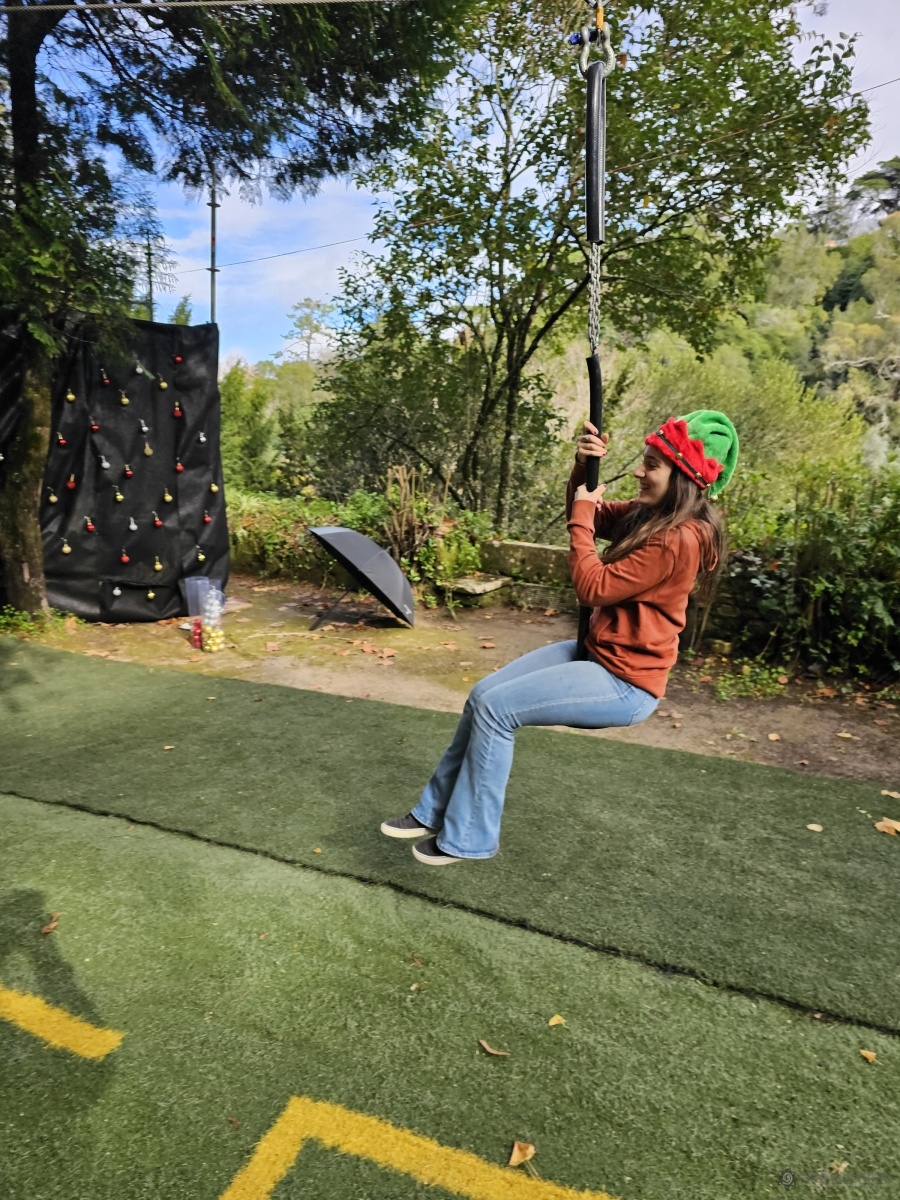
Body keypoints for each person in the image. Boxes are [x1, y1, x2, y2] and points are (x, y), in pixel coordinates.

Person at [380, 409, 739, 866]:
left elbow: (594, 587)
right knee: (483, 695)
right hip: (595, 654)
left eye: (652, 465)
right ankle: (433, 812)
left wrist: (584, 514)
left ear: (684, 478)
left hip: (626, 681)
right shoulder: (651, 516)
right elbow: (585, 514)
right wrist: (582, 468)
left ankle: (468, 839)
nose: (638, 471)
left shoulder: (679, 538)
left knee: (497, 710)